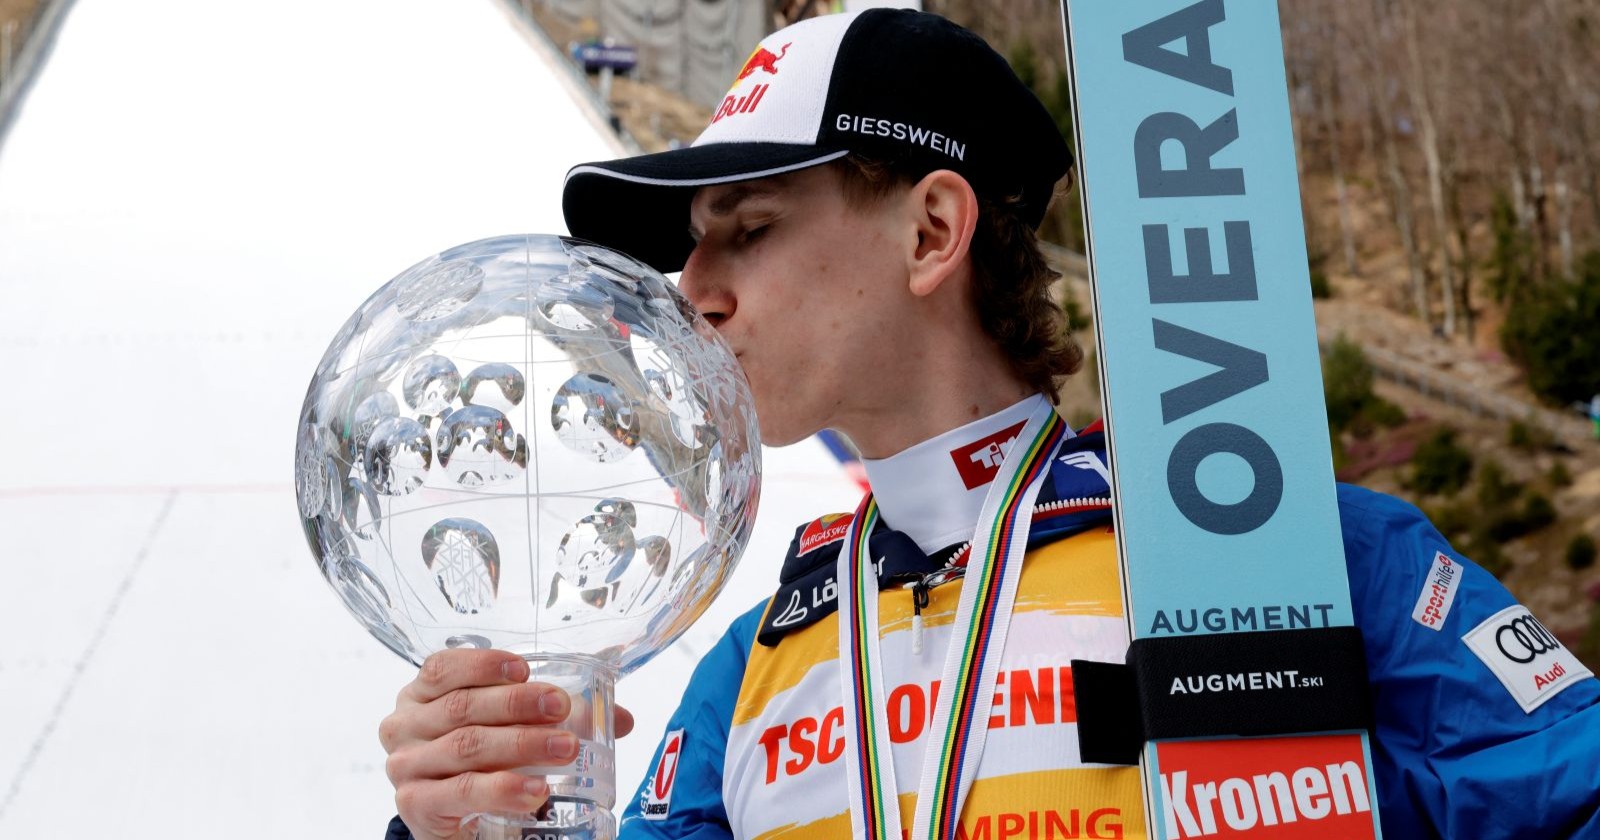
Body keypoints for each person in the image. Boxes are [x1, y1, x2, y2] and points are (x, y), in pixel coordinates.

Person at [379, 9, 1600, 840]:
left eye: (745, 230)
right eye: (693, 245)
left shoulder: (1288, 556)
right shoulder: (743, 675)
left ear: (929, 232)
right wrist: (458, 818)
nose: (694, 290)